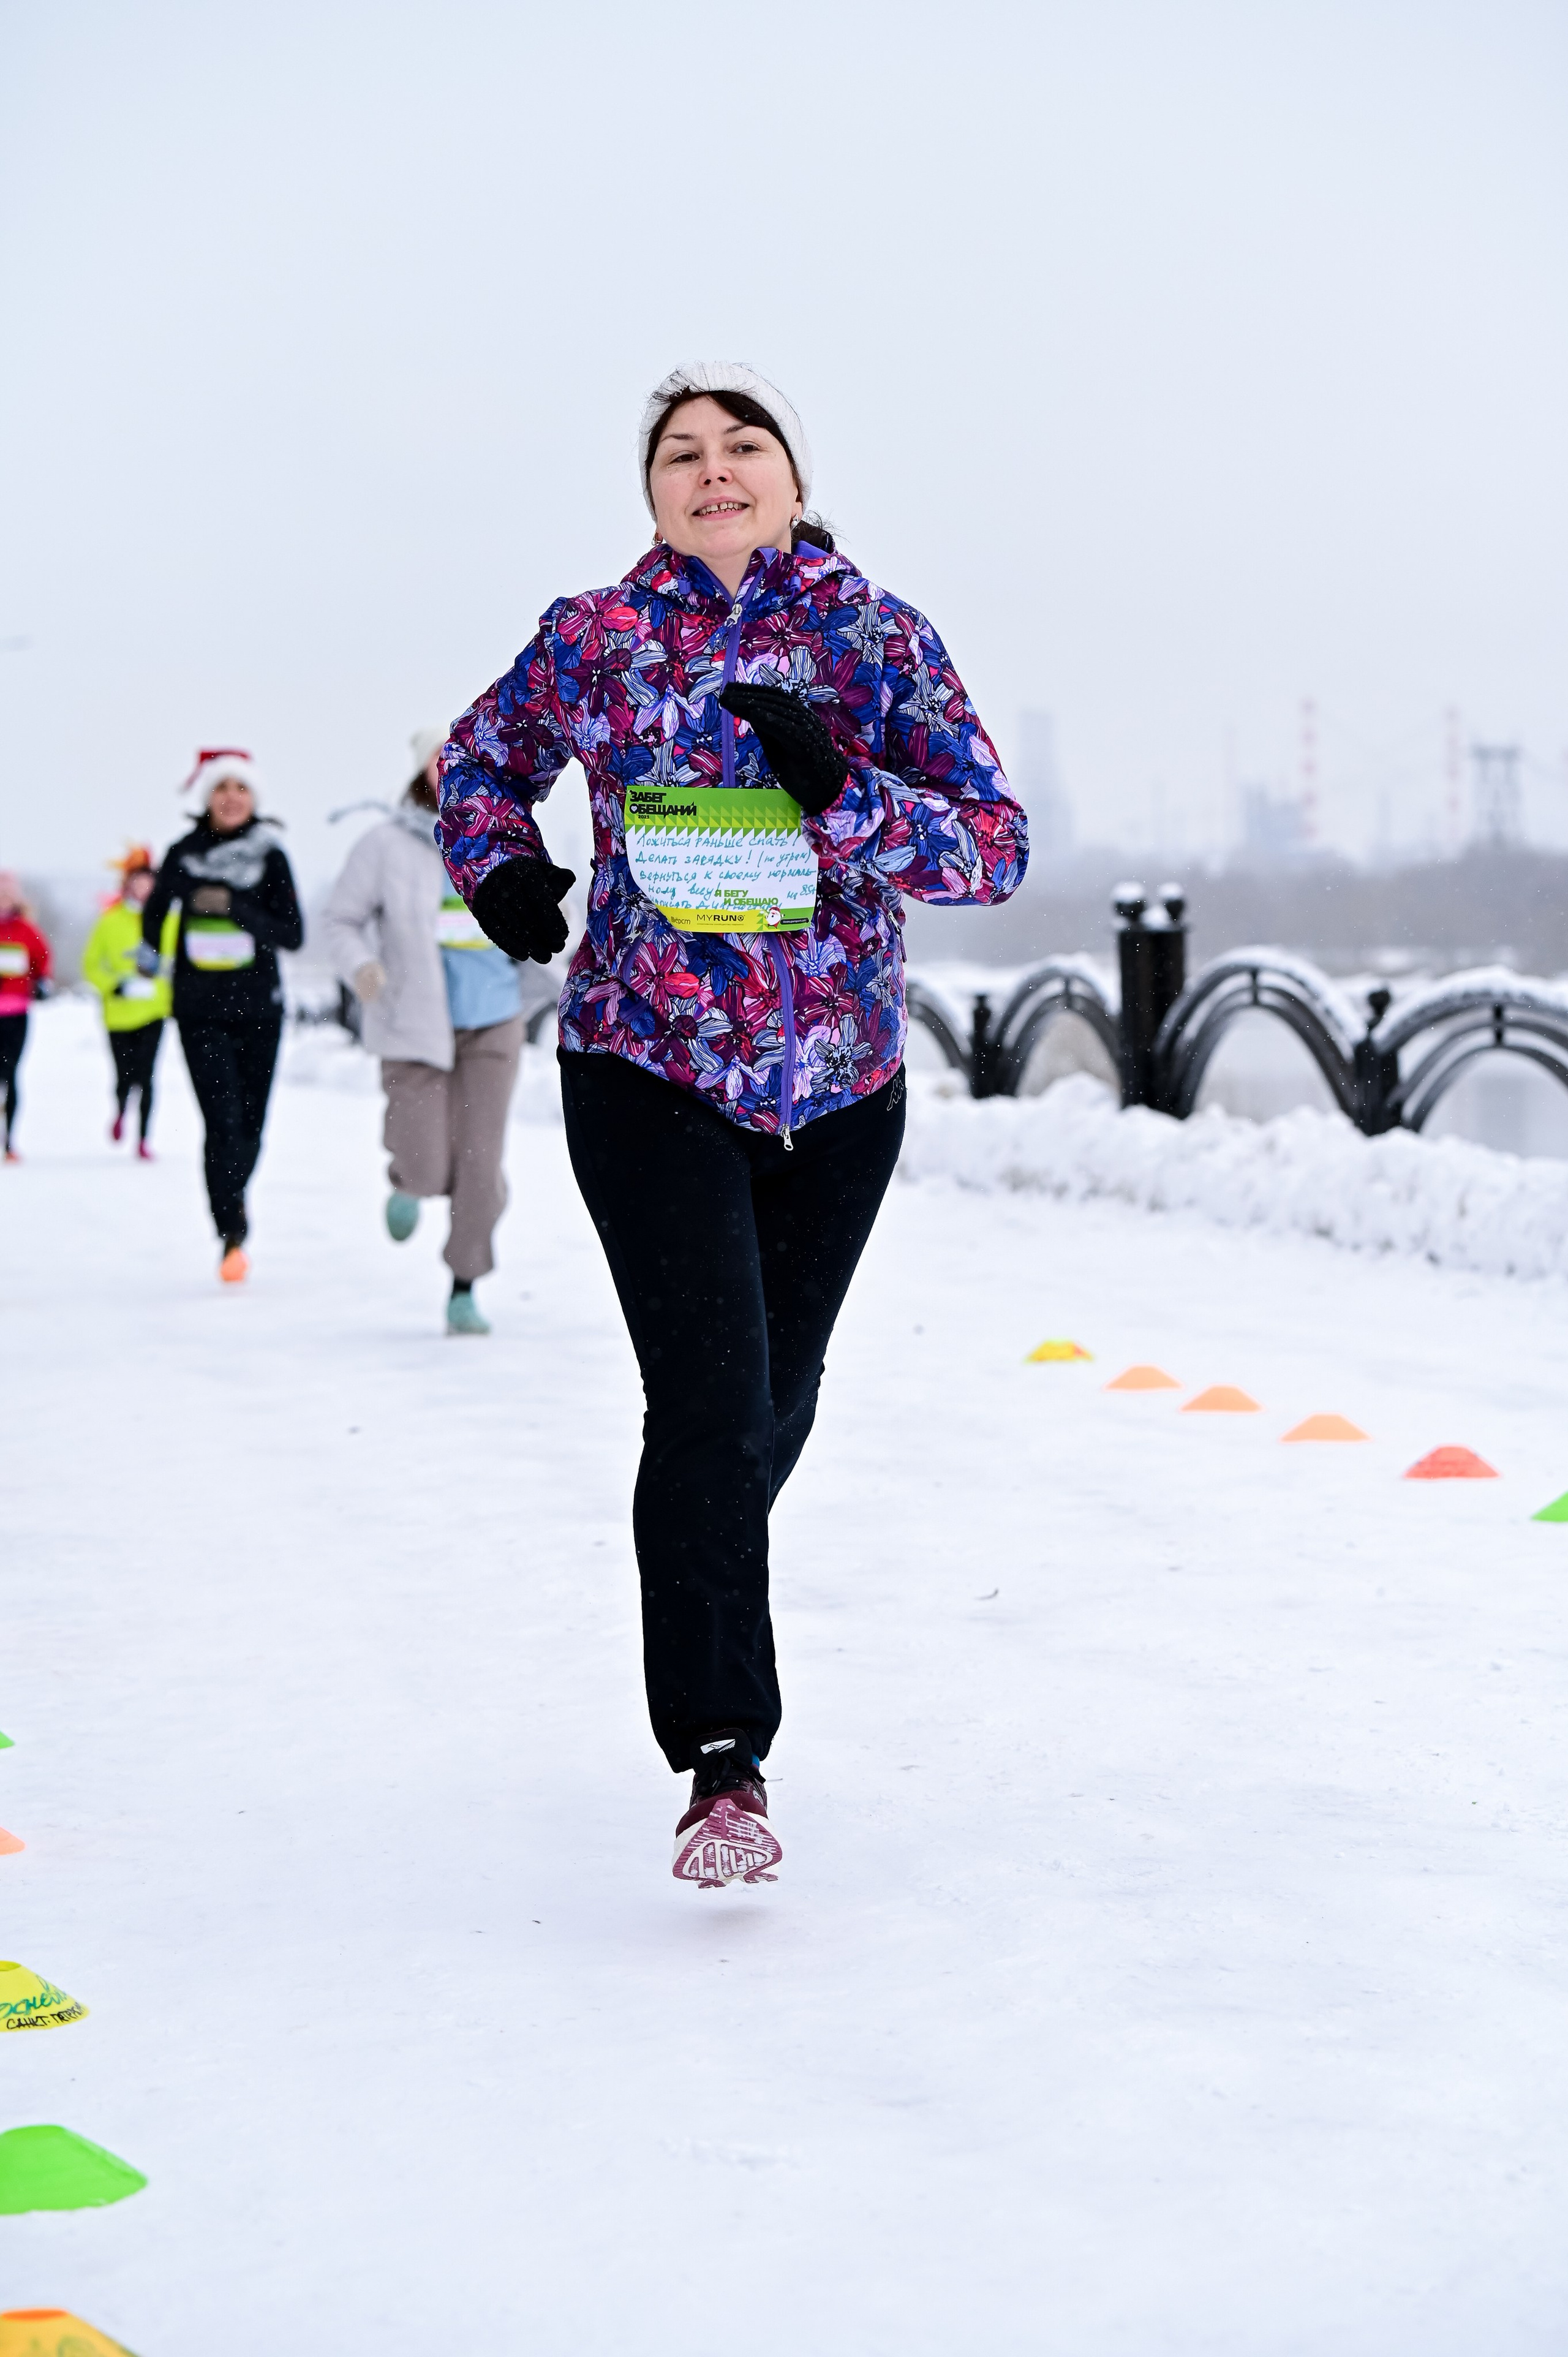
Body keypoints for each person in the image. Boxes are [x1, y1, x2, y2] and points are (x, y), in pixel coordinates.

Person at [437, 361, 1028, 1887]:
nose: (710, 469)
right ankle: (723, 1756)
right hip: (644, 1060)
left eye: (739, 445)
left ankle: (693, 1540)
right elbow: (477, 770)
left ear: (788, 473)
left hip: (838, 1087)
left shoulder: (876, 635)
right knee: (705, 1399)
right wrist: (500, 872)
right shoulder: (593, 636)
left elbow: (990, 849)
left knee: (764, 1402)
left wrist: (842, 792)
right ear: (648, 491)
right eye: (678, 453)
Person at [323, 728, 525, 1335]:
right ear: (424, 774)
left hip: (494, 1017)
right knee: (427, 1161)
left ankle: (464, 1284)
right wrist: (362, 967)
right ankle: (407, 1182)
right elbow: (341, 920)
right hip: (412, 1019)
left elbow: (553, 915)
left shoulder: (507, 835)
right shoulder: (384, 846)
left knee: (480, 1165)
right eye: (444, 762)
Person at [140, 750, 303, 1282]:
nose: (232, 797)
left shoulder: (270, 856)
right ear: (206, 797)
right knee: (222, 1119)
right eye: (221, 788)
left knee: (252, 1125)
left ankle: (235, 1196)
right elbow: (153, 913)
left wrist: (236, 908)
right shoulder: (182, 855)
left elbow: (292, 934)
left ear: (254, 799)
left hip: (260, 1009)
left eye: (242, 788)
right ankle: (230, 1228)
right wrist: (149, 954)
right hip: (199, 1009)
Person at [81, 846, 176, 1157]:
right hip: (119, 1013)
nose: (144, 888)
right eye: (138, 882)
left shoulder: (170, 920)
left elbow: (180, 961)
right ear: (127, 885)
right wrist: (114, 985)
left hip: (154, 1009)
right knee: (125, 1075)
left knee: (147, 1074)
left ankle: (144, 1140)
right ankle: (122, 1108)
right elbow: (92, 964)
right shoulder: (110, 921)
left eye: (149, 882)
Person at [0, 872, 53, 1164]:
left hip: (17, 1012)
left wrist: (42, 982)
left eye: (7, 896)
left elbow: (41, 960)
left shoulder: (26, 930)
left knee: (11, 1075)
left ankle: (10, 1142)